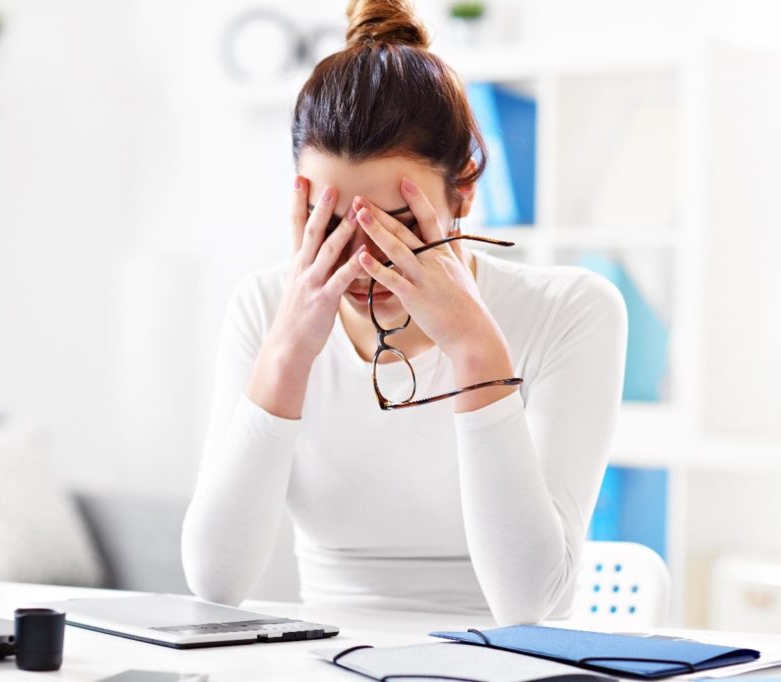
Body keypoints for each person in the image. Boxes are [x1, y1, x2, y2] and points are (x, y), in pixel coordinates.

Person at [182, 0, 627, 625]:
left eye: (397, 226)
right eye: (330, 226)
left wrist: (475, 348)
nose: (364, 263)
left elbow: (529, 604)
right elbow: (214, 582)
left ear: (463, 192)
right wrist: (289, 350)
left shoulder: (570, 311)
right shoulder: (263, 305)